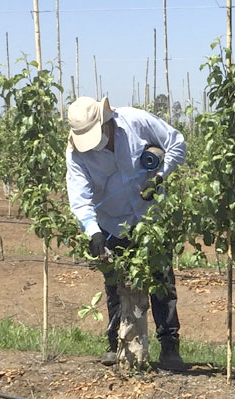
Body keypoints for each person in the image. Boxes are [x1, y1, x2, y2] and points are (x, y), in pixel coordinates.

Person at [65, 96, 187, 370]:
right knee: (115, 285)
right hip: (112, 223)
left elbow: (177, 142)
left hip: (151, 219)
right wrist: (93, 231)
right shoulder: (76, 153)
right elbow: (79, 197)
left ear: (105, 121)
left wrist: (159, 177)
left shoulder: (135, 121)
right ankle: (116, 344)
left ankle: (169, 346)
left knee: (163, 283)